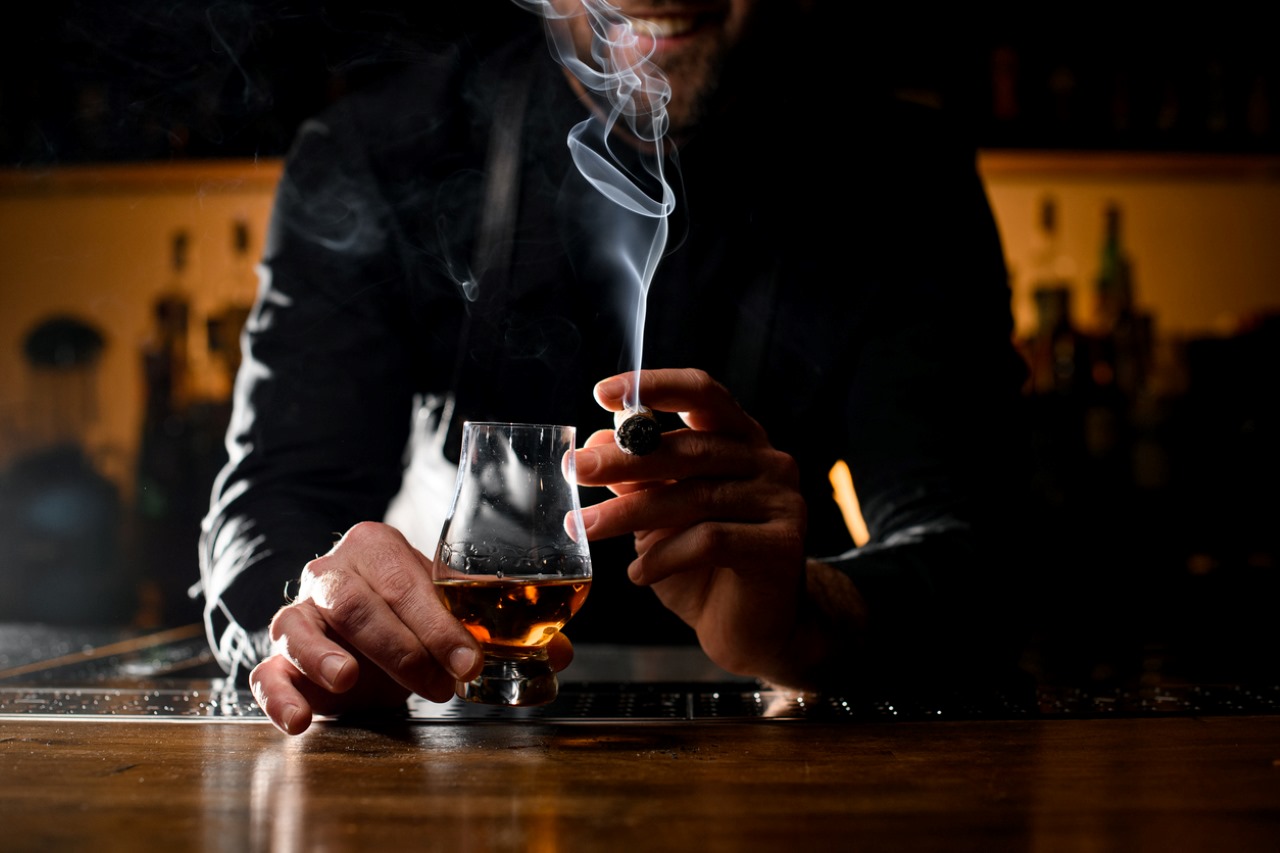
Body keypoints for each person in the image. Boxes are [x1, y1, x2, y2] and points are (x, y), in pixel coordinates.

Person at [199, 0, 1034, 735]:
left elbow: (981, 546)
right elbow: (273, 497)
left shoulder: (903, 178)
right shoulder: (373, 158)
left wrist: (804, 617)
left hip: (773, 748)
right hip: (447, 729)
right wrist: (323, 614)